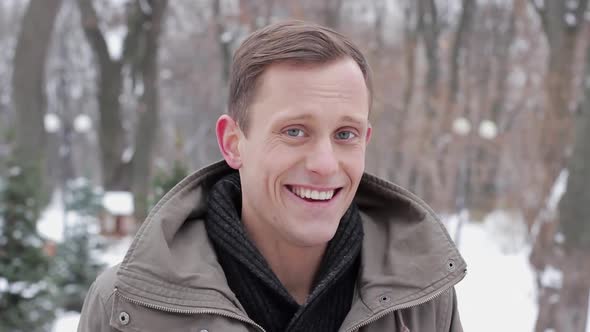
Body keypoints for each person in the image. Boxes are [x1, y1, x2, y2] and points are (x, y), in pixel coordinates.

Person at [78, 20, 466, 332]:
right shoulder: (128, 309)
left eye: (344, 135)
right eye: (295, 131)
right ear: (233, 143)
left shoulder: (420, 303)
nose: (325, 164)